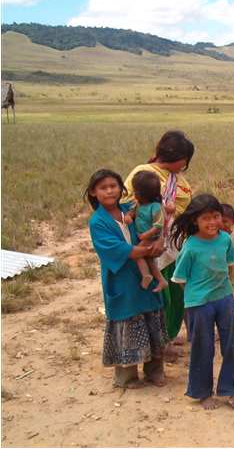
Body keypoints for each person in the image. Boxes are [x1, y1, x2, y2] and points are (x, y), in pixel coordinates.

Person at [85, 169, 168, 389]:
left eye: (114, 186)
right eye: (104, 187)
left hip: (143, 273)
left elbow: (156, 221)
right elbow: (120, 250)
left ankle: (155, 371)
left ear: (122, 188)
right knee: (125, 322)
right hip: (121, 278)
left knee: (151, 318)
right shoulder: (98, 222)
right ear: (94, 192)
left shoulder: (131, 209)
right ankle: (127, 376)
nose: (110, 191)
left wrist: (158, 242)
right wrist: (150, 248)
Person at [122, 130, 194, 358]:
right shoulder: (143, 174)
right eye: (184, 160)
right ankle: (160, 343)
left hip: (174, 244)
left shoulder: (177, 179)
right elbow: (130, 205)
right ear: (177, 157)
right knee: (160, 295)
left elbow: (184, 207)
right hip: (151, 245)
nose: (185, 165)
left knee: (175, 292)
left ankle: (169, 336)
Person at [170, 194, 234, 410]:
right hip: (199, 303)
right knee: (203, 347)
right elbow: (181, 279)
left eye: (216, 216)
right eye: (205, 218)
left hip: (225, 298)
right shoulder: (190, 247)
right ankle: (202, 393)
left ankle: (231, 389)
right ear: (195, 221)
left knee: (231, 345)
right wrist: (197, 296)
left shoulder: (226, 240)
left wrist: (225, 290)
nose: (212, 223)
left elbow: (229, 267)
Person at [124, 170, 168, 291]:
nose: (133, 193)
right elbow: (132, 212)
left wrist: (146, 235)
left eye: (135, 191)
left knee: (137, 254)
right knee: (149, 259)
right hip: (145, 236)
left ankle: (146, 275)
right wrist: (128, 216)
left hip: (150, 238)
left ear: (143, 193)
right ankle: (161, 280)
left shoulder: (155, 206)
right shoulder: (138, 204)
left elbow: (158, 225)